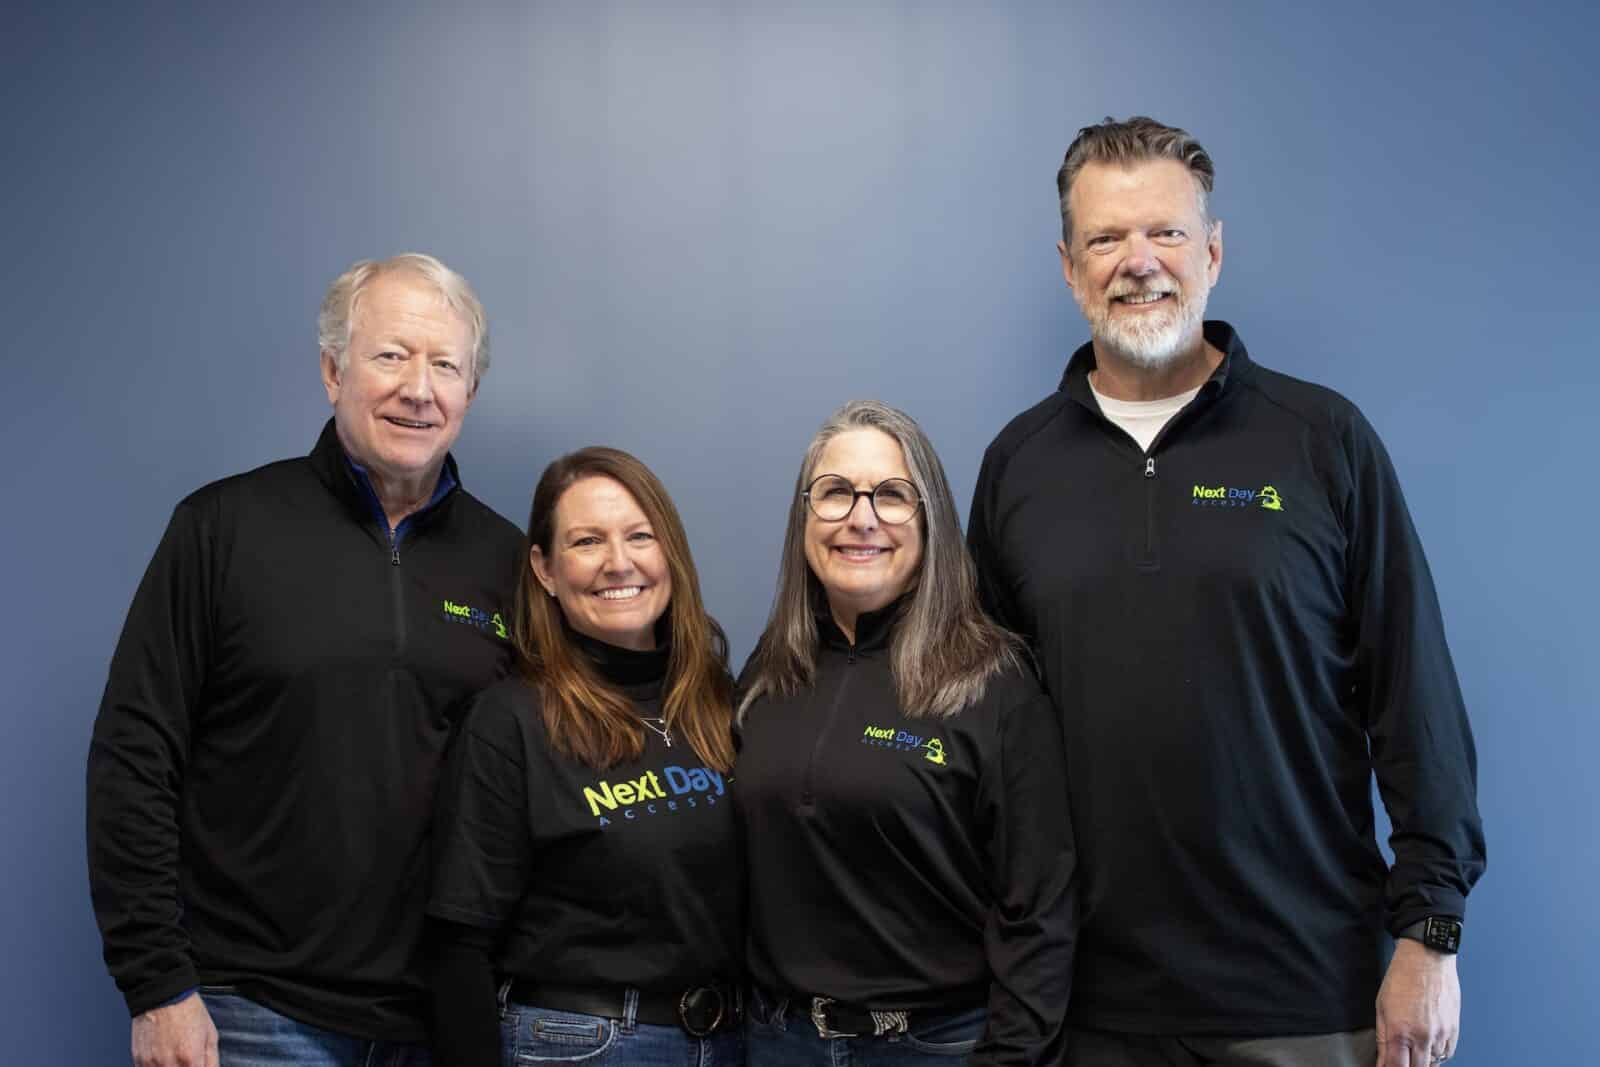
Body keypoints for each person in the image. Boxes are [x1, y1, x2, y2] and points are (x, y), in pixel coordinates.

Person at [967, 116, 1486, 1067]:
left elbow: (1415, 698)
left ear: (1211, 251)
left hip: (1304, 993)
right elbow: (989, 744)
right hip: (1085, 1006)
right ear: (1070, 268)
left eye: (1165, 231)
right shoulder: (1018, 466)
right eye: (1105, 238)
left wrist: (1431, 932)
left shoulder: (1321, 440)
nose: (1139, 261)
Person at [87, 253, 523, 1067]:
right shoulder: (223, 528)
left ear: (470, 390)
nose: (419, 388)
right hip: (251, 1013)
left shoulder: (506, 562)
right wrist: (156, 984)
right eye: (391, 355)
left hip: (443, 1022)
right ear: (332, 371)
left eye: (445, 365)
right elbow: (134, 756)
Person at [737, 400, 1076, 1066]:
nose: (862, 518)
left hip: (933, 1047)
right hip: (777, 1042)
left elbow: (1040, 908)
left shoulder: (992, 681)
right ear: (805, 517)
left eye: (892, 495)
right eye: (835, 492)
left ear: (930, 521)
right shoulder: (769, 671)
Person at [427, 446, 744, 1067]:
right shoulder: (512, 720)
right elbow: (456, 944)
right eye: (587, 541)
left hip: (731, 1041)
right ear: (545, 570)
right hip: (578, 1045)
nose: (618, 562)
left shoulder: (719, 702)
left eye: (639, 536)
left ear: (671, 554)